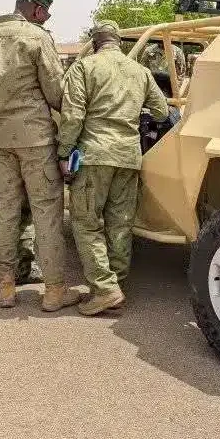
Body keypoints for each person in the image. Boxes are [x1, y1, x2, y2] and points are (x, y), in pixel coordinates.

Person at [0, 0, 82, 311]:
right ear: (34, 8)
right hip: (36, 139)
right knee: (46, 212)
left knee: (4, 209)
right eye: (45, 12)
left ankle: (5, 287)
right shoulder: (37, 37)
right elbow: (55, 89)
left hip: (1, 140)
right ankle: (54, 290)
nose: (46, 18)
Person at [58, 20, 170, 315]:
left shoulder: (83, 68)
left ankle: (105, 290)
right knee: (120, 225)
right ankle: (117, 285)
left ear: (95, 42)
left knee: (86, 223)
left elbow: (72, 115)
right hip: (129, 157)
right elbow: (161, 111)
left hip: (93, 156)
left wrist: (63, 153)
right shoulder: (141, 71)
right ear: (118, 42)